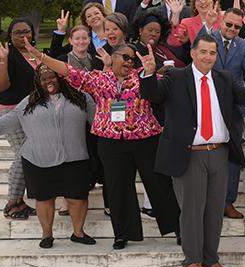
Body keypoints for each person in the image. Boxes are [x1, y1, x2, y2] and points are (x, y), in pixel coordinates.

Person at [138, 34, 245, 267]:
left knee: (215, 210)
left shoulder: (224, 78)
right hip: (190, 155)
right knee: (192, 211)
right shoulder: (176, 77)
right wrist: (149, 73)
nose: (208, 57)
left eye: (212, 53)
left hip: (219, 152)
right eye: (203, 52)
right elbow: (153, 95)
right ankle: (192, 261)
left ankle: (210, 259)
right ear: (193, 53)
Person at [32, 41, 181, 249]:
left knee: (159, 184)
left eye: (132, 59)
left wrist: (150, 72)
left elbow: (161, 93)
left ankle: (178, 228)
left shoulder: (145, 76)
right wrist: (41, 57)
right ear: (113, 58)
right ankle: (123, 234)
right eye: (125, 57)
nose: (129, 62)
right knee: (118, 188)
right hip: (111, 143)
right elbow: (67, 70)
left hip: (145, 140)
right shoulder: (99, 79)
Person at [0, 64, 97, 248]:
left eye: (52, 77)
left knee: (78, 198)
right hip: (38, 159)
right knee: (44, 199)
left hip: (74, 158)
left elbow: (98, 121)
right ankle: (47, 235)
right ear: (38, 82)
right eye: (44, 79)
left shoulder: (82, 98)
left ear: (61, 78)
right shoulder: (29, 102)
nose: (49, 81)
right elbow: (9, 120)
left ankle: (78, 233)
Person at [211, 9, 245, 218]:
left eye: (237, 27)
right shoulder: (207, 39)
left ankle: (228, 202)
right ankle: (209, 201)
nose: (232, 29)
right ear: (221, 22)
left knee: (233, 156)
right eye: (229, 24)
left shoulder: (244, 45)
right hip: (208, 104)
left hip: (233, 107)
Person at [0, 18, 40, 220]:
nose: (22, 35)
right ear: (10, 36)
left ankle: (20, 201)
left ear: (32, 34)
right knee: (23, 152)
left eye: (26, 31)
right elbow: (1, 86)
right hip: (10, 112)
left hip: (33, 113)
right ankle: (12, 202)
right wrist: (3, 60)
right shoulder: (8, 55)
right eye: (17, 32)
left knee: (30, 153)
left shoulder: (36, 54)